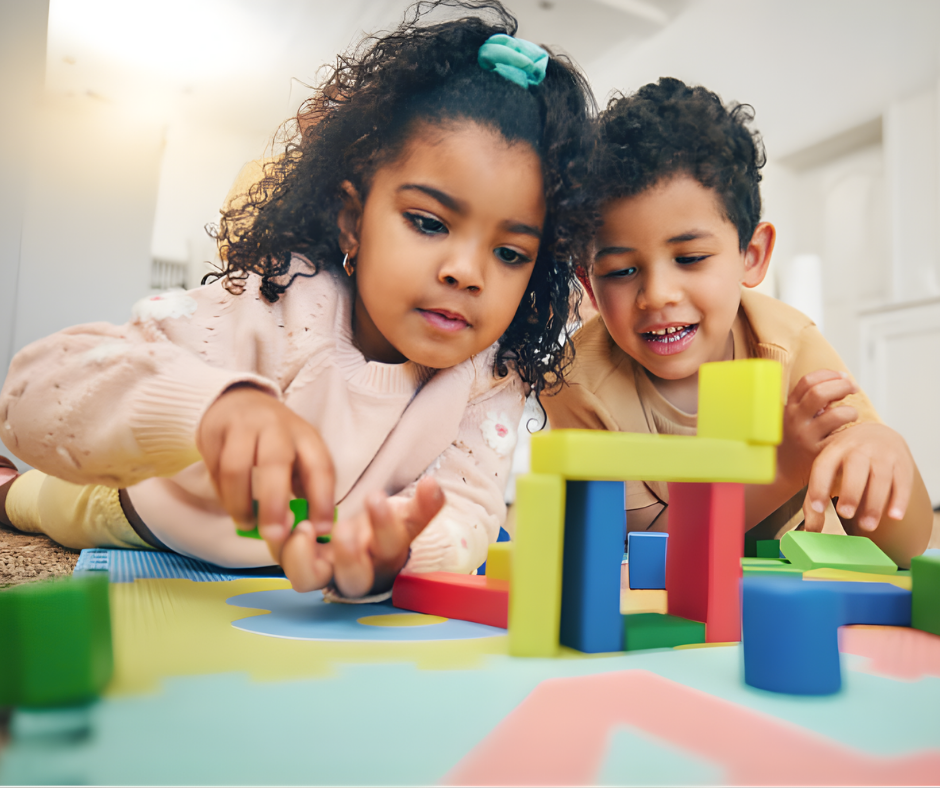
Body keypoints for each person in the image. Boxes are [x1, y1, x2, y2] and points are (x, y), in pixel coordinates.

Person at [0, 0, 595, 598]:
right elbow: (30, 395)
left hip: (297, 568)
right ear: (352, 222)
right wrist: (210, 408)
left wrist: (399, 547)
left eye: (511, 254)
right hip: (149, 512)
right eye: (429, 222)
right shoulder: (276, 299)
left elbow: (469, 507)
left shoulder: (492, 374)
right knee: (39, 499)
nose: (467, 273)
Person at [544, 77, 932, 567]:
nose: (658, 295)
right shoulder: (577, 381)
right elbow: (644, 552)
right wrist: (780, 469)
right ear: (589, 283)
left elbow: (904, 548)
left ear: (752, 255)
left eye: (690, 258)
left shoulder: (790, 347)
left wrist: (882, 450)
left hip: (773, 593)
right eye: (621, 271)